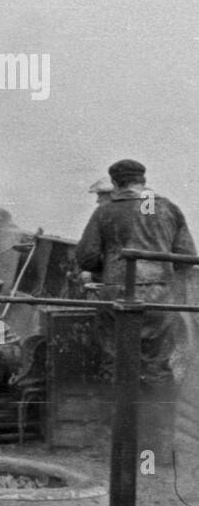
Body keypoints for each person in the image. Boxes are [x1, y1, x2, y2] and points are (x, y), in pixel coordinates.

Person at [75, 159, 195, 390]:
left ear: (115, 183)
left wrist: (108, 267)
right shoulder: (168, 207)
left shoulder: (105, 212)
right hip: (159, 297)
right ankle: (157, 424)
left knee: (115, 361)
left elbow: (87, 258)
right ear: (143, 181)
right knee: (157, 365)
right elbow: (186, 257)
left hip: (117, 294)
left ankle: (116, 423)